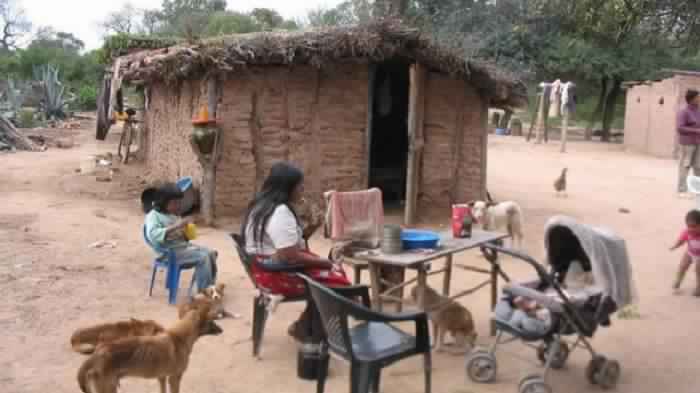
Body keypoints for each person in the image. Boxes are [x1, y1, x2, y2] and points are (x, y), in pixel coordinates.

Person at [241, 162, 349, 341]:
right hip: (276, 274)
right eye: (300, 185)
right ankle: (309, 331)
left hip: (264, 269)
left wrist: (312, 227)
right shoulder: (280, 211)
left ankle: (308, 324)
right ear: (287, 187)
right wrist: (326, 262)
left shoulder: (261, 205)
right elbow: (289, 255)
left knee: (331, 273)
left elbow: (289, 243)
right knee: (335, 282)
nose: (302, 189)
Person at [144, 183, 218, 292]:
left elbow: (182, 238)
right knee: (203, 257)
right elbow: (153, 235)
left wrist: (186, 232)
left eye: (179, 202)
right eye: (174, 203)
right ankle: (203, 293)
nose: (178, 206)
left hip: (182, 248)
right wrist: (176, 226)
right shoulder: (153, 216)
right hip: (168, 254)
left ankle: (208, 287)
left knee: (211, 253)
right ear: (164, 202)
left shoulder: (172, 214)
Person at [670, 209, 700, 296]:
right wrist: (675, 246)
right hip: (690, 253)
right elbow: (681, 240)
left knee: (698, 270)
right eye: (688, 226)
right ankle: (678, 280)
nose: (691, 229)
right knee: (682, 266)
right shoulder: (687, 232)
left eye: (694, 226)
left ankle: (698, 287)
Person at [677, 89, 700, 197]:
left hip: (698, 142)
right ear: (691, 99)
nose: (699, 99)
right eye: (698, 97)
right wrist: (696, 131)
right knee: (685, 165)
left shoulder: (698, 110)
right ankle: (682, 190)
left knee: (698, 166)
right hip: (687, 143)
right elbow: (680, 128)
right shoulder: (684, 111)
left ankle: (697, 190)